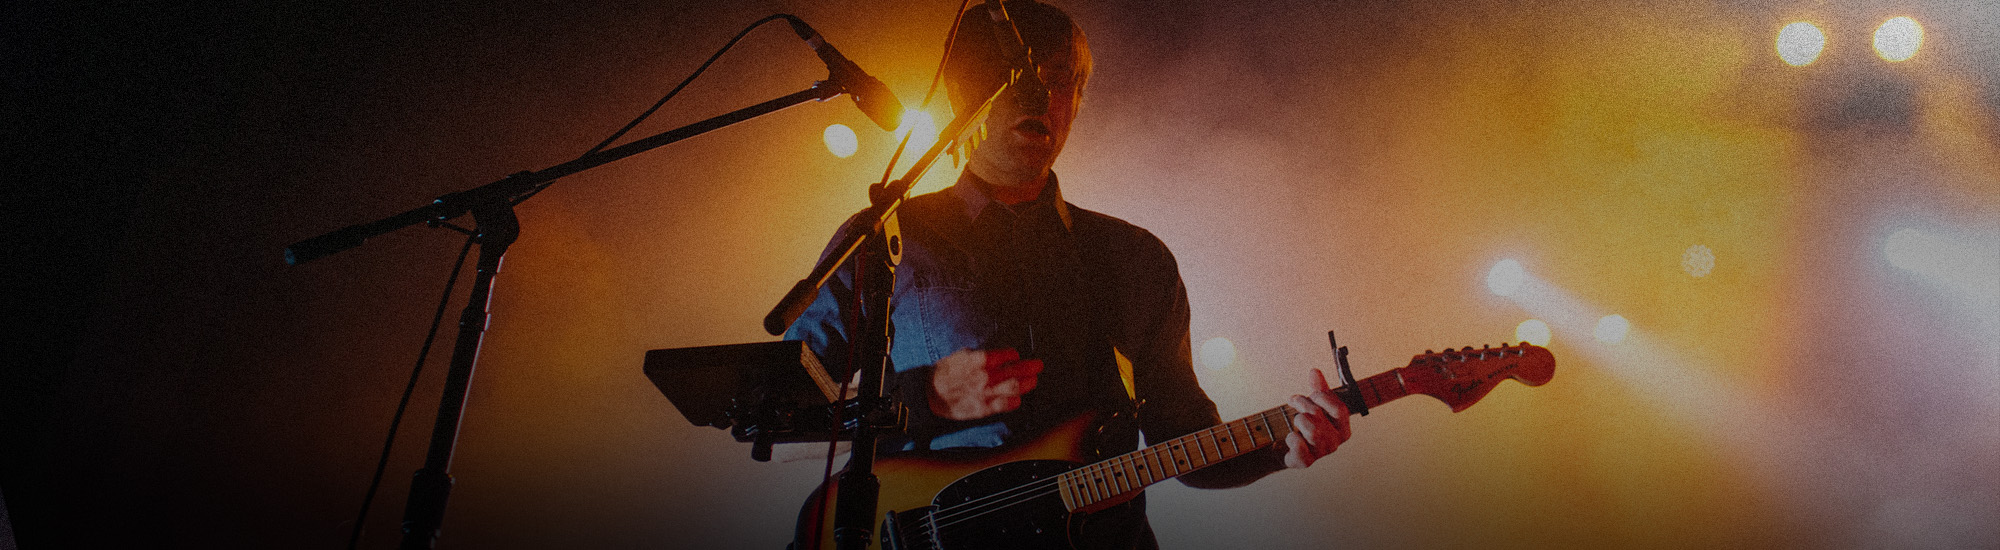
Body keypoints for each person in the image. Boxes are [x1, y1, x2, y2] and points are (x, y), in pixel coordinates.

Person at [784, 2, 1351, 547]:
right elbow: (775, 427)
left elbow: (1185, 443)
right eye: (1017, 77)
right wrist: (923, 396)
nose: (1041, 97)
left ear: (1077, 104)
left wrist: (1281, 447)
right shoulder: (887, 236)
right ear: (963, 93)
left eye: (1061, 82)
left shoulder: (1134, 257)